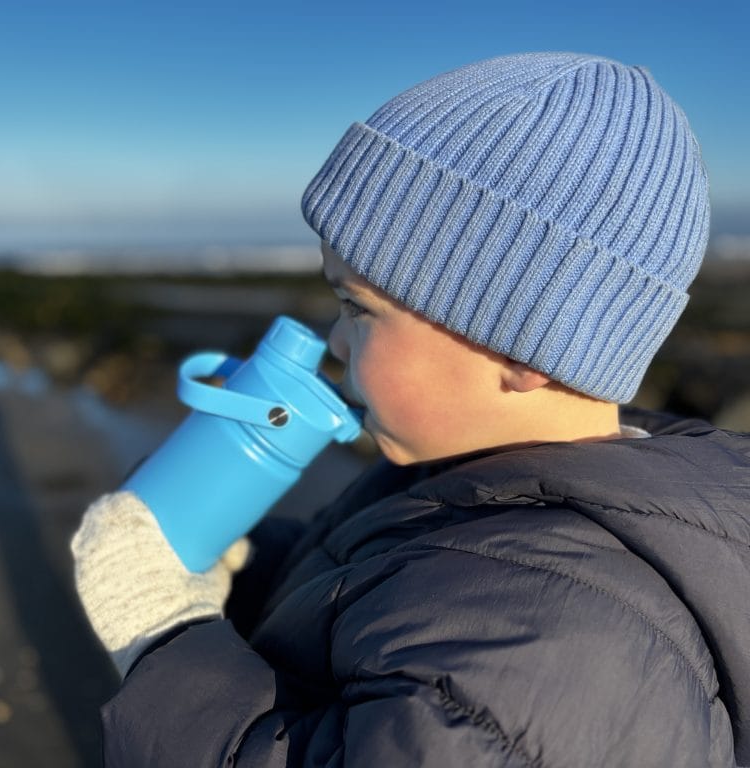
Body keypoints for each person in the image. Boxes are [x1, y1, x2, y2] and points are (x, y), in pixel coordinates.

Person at [71, 52, 750, 766]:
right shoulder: (471, 471)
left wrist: (164, 634)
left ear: (524, 345)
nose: (335, 340)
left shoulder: (557, 642)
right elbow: (368, 581)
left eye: (357, 307)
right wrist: (248, 559)